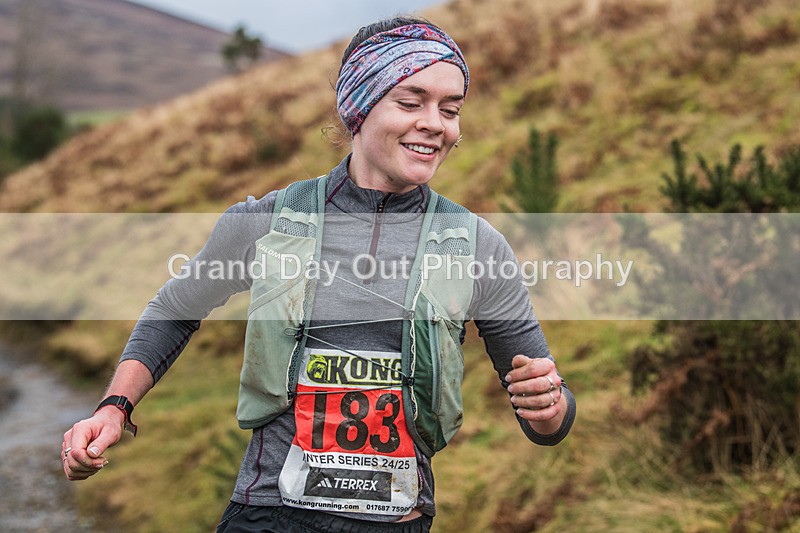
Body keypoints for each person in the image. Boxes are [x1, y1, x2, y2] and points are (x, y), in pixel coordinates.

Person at [62, 16, 576, 532]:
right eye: (410, 102)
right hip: (269, 515)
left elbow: (547, 414)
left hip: (398, 521)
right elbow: (174, 311)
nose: (435, 124)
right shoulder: (269, 221)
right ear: (360, 107)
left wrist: (548, 406)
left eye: (450, 109)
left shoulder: (477, 247)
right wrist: (114, 407)